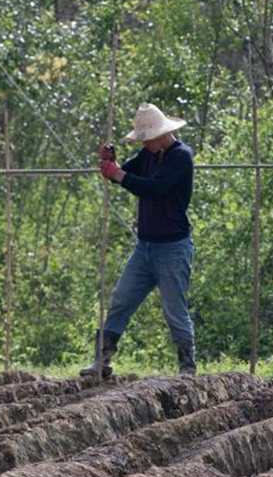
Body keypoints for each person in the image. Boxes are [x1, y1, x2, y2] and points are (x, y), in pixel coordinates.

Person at [81, 102, 196, 378]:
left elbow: (154, 188)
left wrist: (118, 174)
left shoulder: (180, 156)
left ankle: (187, 367)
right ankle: (103, 360)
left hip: (173, 247)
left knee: (174, 309)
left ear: (161, 134)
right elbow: (124, 174)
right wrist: (112, 163)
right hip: (145, 247)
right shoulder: (148, 154)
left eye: (147, 138)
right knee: (122, 298)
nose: (144, 144)